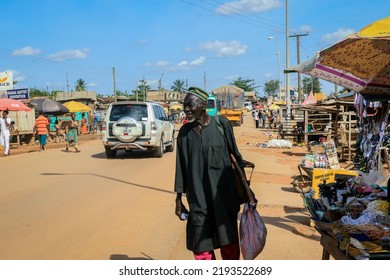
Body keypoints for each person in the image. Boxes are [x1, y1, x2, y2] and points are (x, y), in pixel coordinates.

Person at [174, 86, 254, 260]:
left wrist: (247, 192)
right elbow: (180, 167)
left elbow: (236, 158)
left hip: (223, 197)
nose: (186, 109)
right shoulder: (184, 133)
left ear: (203, 105)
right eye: (184, 105)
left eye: (190, 105)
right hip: (198, 199)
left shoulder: (221, 124)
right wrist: (179, 199)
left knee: (229, 243)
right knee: (201, 246)